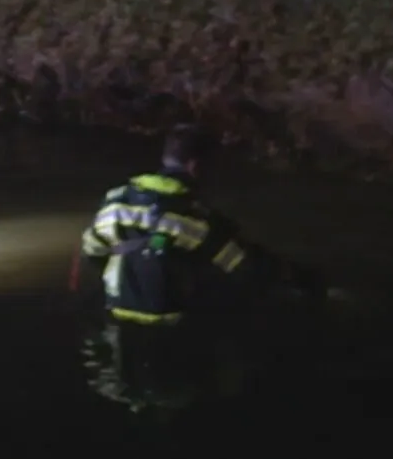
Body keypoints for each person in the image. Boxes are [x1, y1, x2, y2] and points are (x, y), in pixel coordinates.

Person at [75, 123, 325, 331]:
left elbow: (92, 252)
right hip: (172, 323)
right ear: (195, 166)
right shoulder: (197, 220)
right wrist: (300, 279)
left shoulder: (115, 203)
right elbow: (244, 267)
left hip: (117, 316)